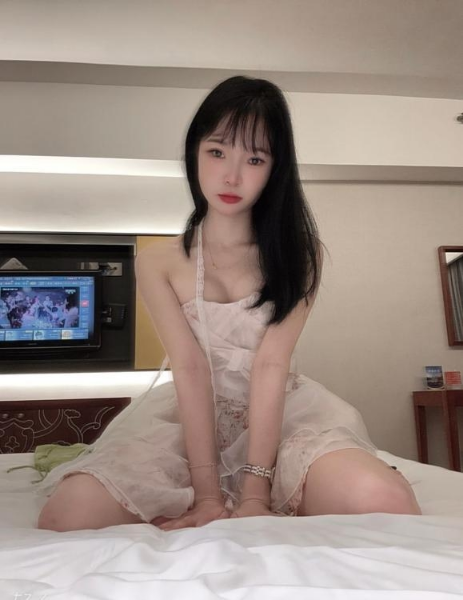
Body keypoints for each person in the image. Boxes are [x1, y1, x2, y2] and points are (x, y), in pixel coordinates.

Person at [37, 76, 421, 532]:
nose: (232, 176)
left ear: (274, 168)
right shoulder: (159, 261)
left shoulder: (300, 254)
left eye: (254, 159)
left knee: (387, 500)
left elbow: (271, 365)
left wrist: (255, 494)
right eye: (217, 152)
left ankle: (280, 491)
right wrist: (207, 496)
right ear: (194, 152)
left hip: (281, 412)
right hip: (187, 415)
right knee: (67, 514)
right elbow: (190, 368)